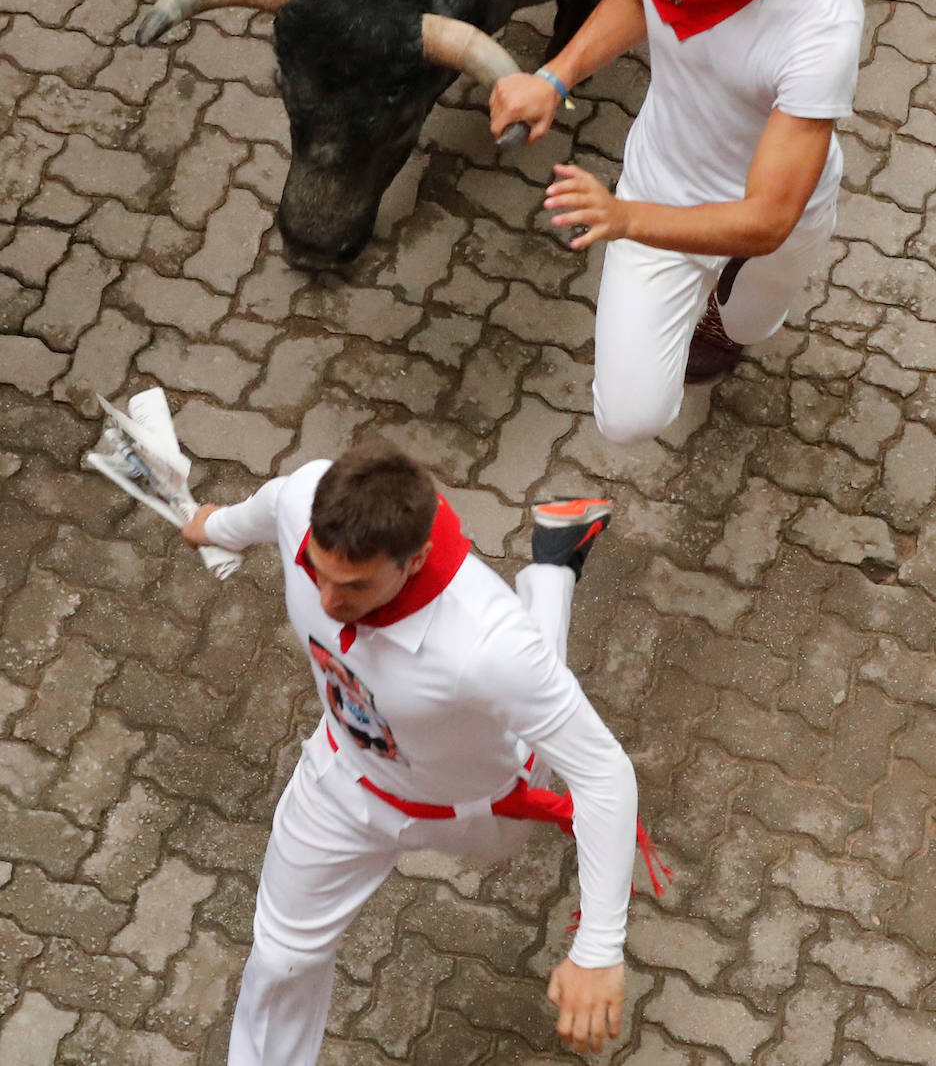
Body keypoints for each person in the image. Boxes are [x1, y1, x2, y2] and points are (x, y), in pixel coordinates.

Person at [182, 440, 638, 1065]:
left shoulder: (489, 644)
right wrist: (218, 526)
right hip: (342, 783)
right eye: (317, 570)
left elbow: (603, 772)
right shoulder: (304, 497)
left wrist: (597, 949)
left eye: (355, 585)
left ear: (416, 557)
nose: (328, 602)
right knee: (281, 958)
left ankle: (553, 570)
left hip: (478, 806)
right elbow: (271, 503)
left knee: (536, 699)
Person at [489, 0, 864, 446]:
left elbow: (769, 217)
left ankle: (717, 319)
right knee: (629, 419)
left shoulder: (822, 21)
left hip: (766, 225)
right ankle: (691, 307)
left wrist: (624, 220)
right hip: (659, 187)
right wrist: (555, 76)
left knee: (746, 327)